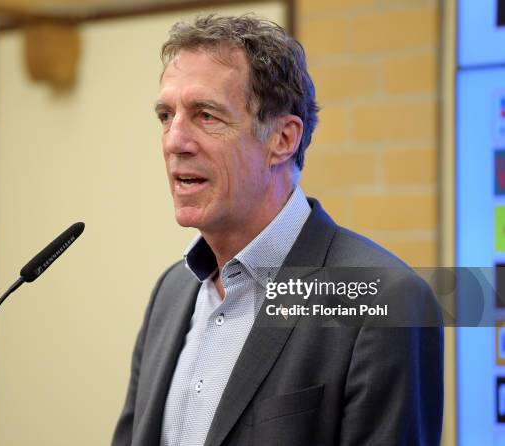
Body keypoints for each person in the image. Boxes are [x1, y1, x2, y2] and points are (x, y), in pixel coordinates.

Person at [112, 14, 443, 446]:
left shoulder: (383, 299)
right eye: (165, 115)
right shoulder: (171, 293)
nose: (175, 141)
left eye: (206, 115)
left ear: (283, 139)